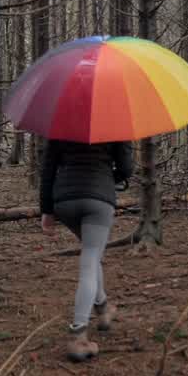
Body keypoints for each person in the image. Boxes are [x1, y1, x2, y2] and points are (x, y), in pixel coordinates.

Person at [39, 138, 135, 362]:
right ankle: (78, 336)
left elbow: (48, 169)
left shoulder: (60, 122)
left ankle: (103, 310)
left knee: (92, 254)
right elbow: (126, 168)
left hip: (65, 200)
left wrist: (46, 210)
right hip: (98, 199)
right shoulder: (116, 121)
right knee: (91, 257)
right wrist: (108, 177)